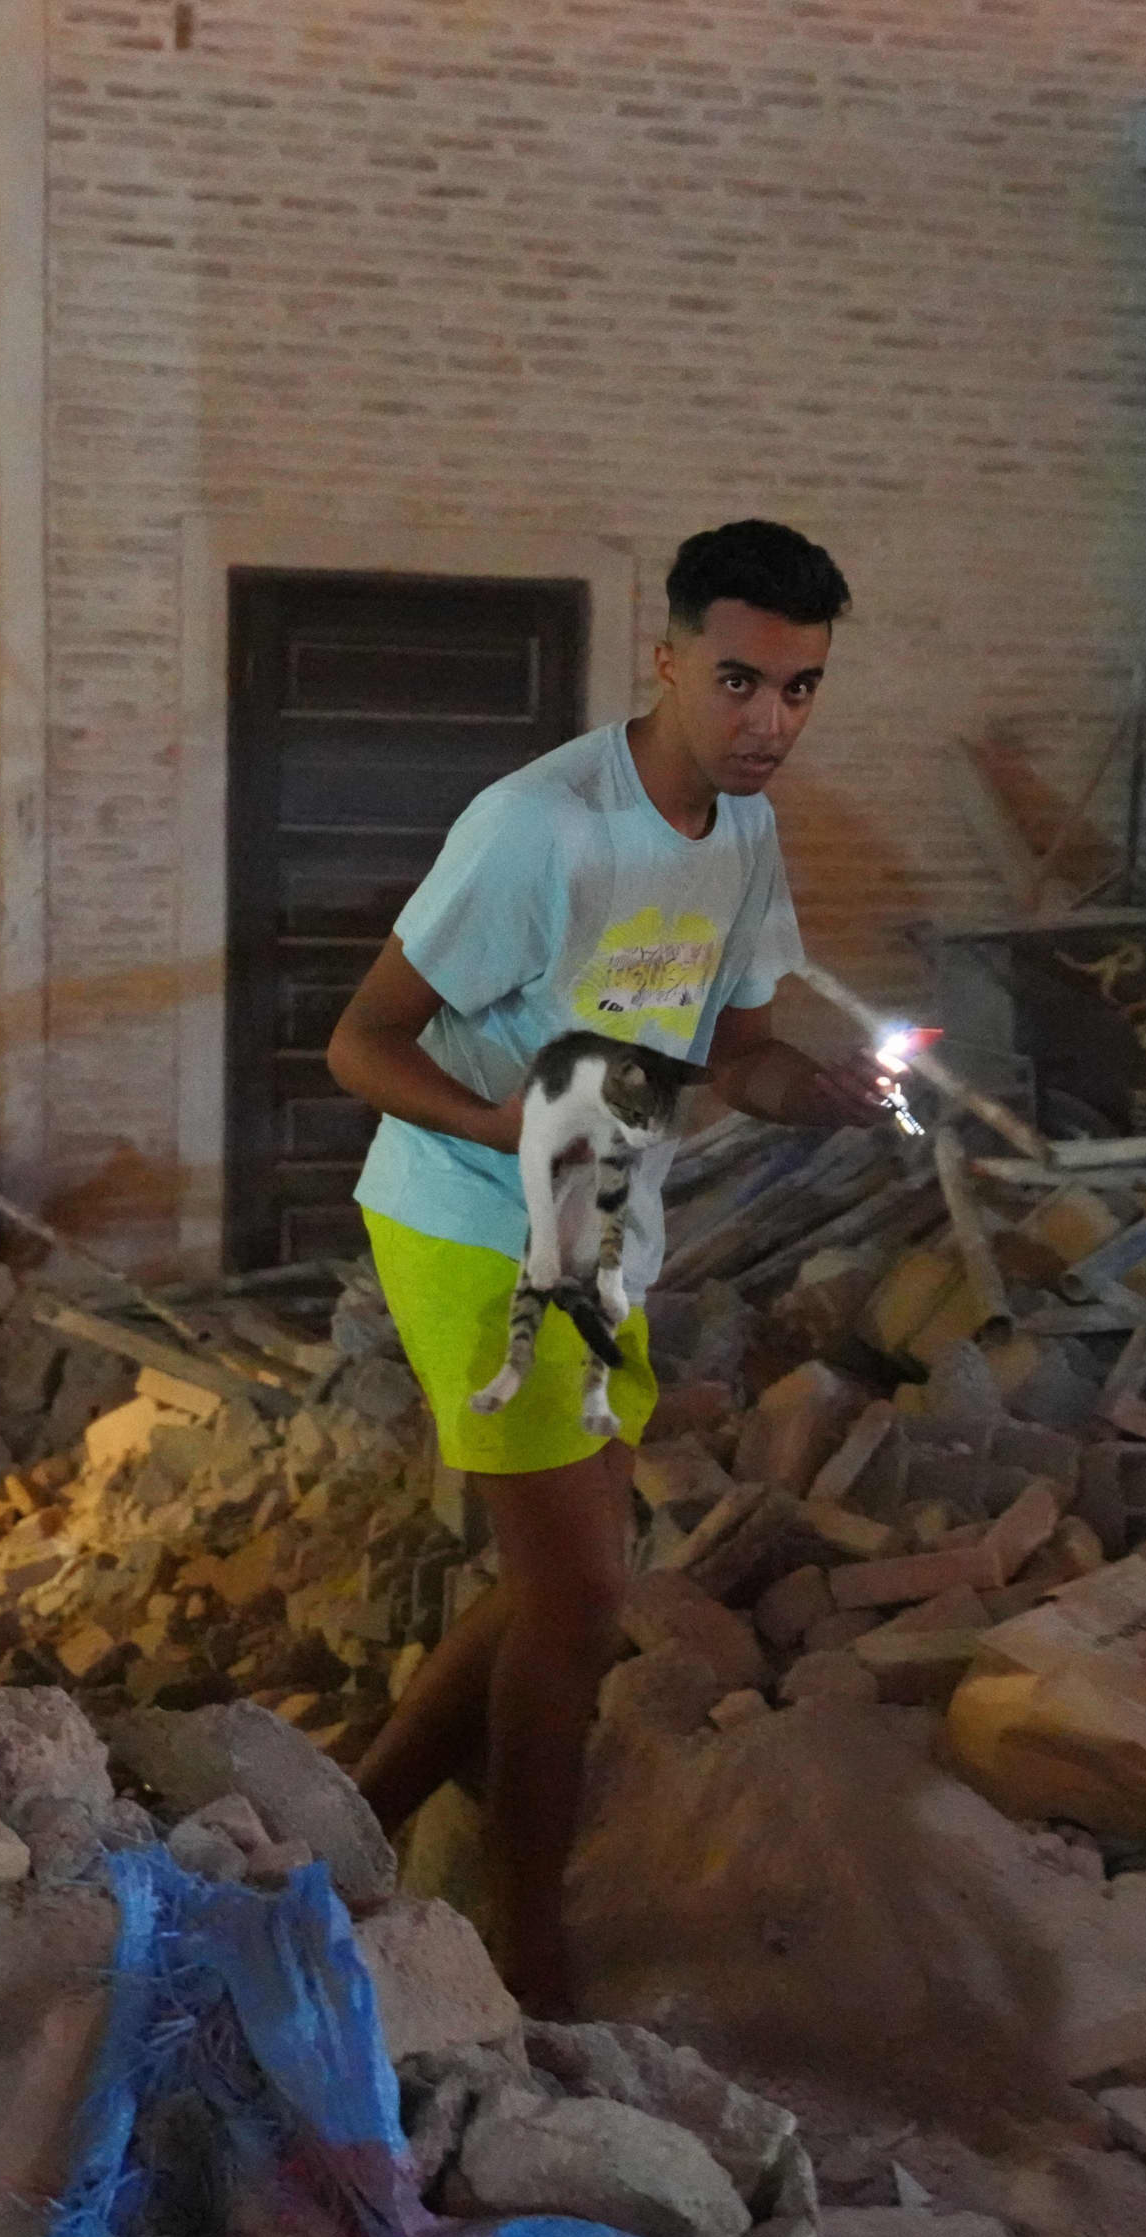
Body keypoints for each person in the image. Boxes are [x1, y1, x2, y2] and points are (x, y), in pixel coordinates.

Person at [323, 518, 885, 2018]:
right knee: (580, 1597)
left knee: (549, 1587)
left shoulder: (745, 834)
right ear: (667, 657)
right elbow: (358, 1041)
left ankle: (342, 1826)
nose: (769, 720)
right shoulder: (541, 827)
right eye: (740, 680)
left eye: (801, 689)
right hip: (464, 1215)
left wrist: (818, 1094)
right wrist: (503, 1126)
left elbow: (741, 1059)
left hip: (599, 1219)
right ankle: (526, 1950)